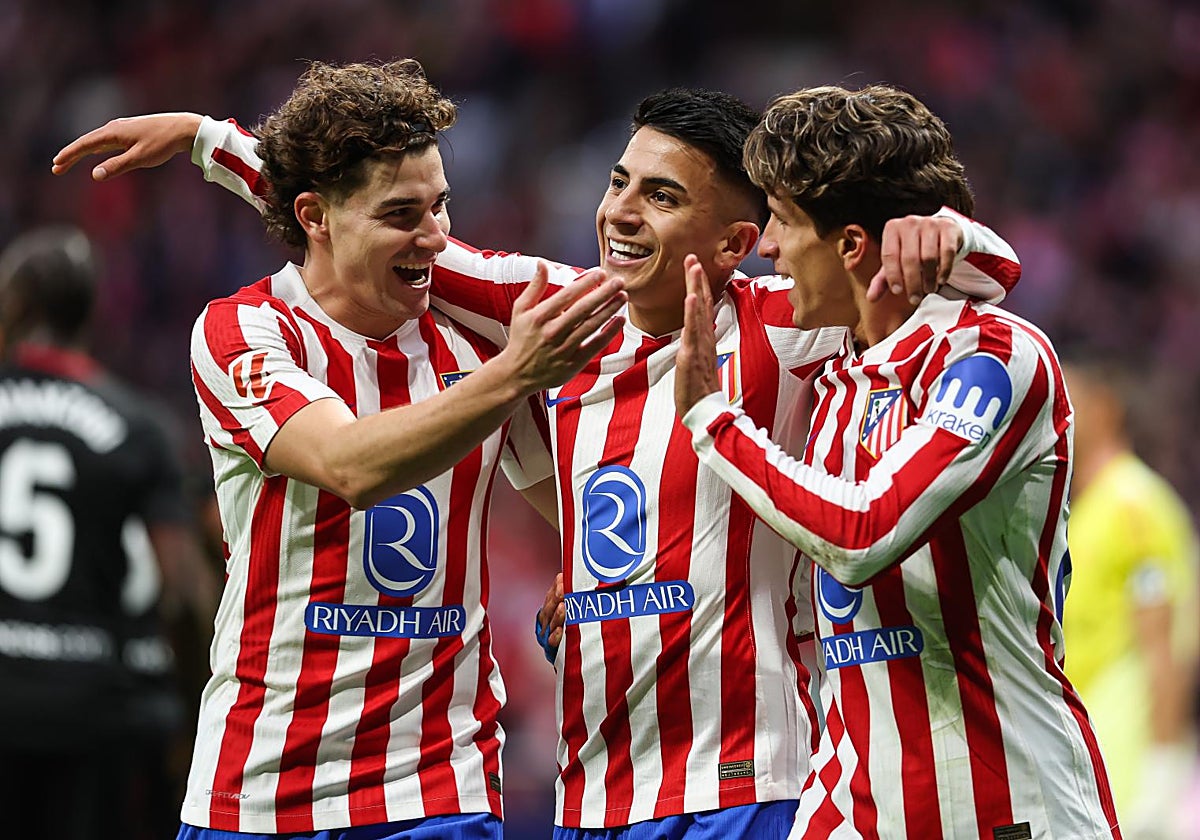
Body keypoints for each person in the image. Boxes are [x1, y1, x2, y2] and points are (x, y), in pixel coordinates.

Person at [53, 86, 1018, 838]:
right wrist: (208, 141)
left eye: (661, 196)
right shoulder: (560, 315)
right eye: (618, 183)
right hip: (591, 795)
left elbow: (965, 287)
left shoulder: (787, 326)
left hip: (752, 783)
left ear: (737, 242)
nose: (622, 213)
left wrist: (957, 236)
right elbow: (362, 219)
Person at [61, 59, 627, 839]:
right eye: (402, 214)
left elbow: (570, 506)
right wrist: (515, 374)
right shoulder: (246, 331)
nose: (438, 237)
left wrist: (592, 576)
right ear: (315, 217)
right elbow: (349, 465)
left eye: (441, 205)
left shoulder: (477, 342)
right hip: (262, 786)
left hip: (437, 789)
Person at [673, 84, 1119, 837]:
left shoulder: (993, 356)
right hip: (853, 804)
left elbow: (863, 535)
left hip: (1008, 806)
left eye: (782, 220)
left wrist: (715, 421)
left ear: (851, 246)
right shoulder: (835, 377)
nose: (768, 247)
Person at [0, 225, 219, 840]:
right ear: (88, 314)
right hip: (96, 712)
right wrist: (191, 718)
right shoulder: (137, 426)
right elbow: (183, 593)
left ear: (16, 305)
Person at [1061, 358, 1198, 839]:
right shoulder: (1088, 509)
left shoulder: (1134, 504)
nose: (1054, 415)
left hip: (1127, 759)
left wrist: (1162, 767)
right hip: (1088, 753)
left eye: (1067, 401)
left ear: (1105, 409)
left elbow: (1166, 645)